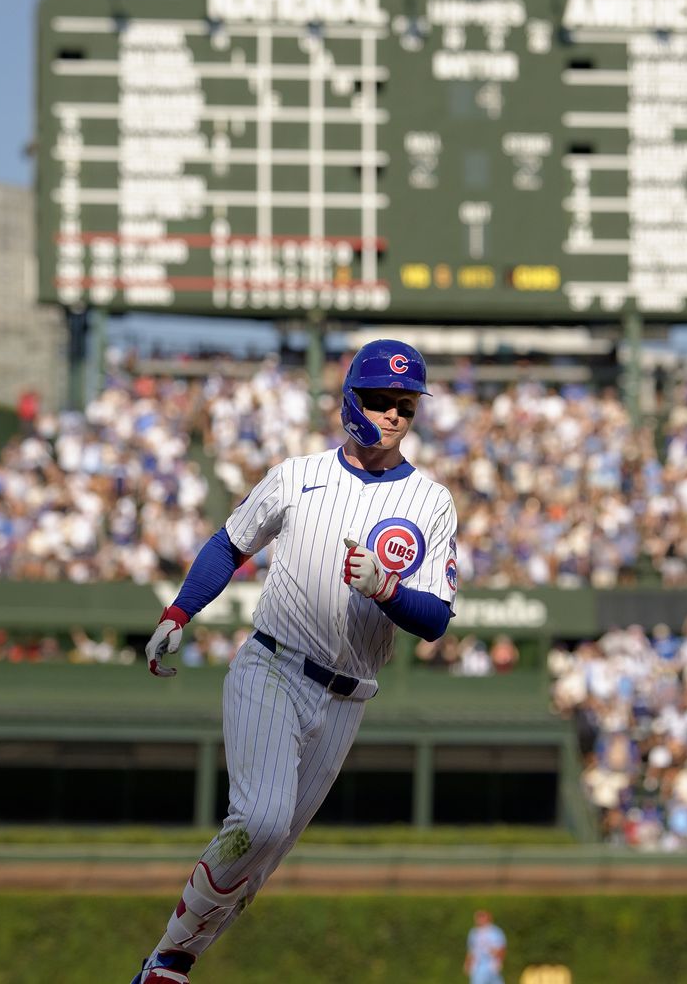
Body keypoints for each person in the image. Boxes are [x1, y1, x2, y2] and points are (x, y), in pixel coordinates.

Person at [131, 340, 460, 984]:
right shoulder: (297, 475)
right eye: (381, 400)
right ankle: (169, 957)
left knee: (266, 853)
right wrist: (178, 613)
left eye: (405, 404)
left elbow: (436, 621)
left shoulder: (431, 501)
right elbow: (229, 543)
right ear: (350, 401)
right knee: (258, 819)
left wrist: (386, 589)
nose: (393, 414)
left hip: (348, 697)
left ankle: (173, 964)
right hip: (274, 668)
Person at [465, 908, 507, 984]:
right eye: (478, 917)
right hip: (477, 966)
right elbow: (471, 950)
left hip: (492, 965)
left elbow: (501, 949)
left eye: (482, 917)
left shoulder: (495, 932)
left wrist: (499, 961)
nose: (480, 919)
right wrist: (468, 963)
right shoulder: (474, 932)